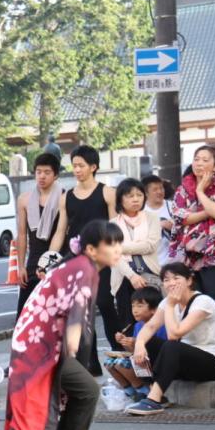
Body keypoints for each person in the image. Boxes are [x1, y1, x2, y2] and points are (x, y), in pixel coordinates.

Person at [0, 220, 123, 430]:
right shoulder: (83, 268)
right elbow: (74, 312)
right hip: (39, 343)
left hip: (43, 341)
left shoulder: (81, 266)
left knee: (85, 390)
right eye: (111, 243)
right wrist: (73, 343)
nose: (118, 249)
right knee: (36, 397)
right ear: (91, 249)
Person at [125, 262, 215, 416]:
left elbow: (174, 335)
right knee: (143, 342)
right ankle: (153, 393)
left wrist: (170, 306)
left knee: (171, 345)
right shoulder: (168, 302)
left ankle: (153, 401)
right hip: (188, 360)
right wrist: (140, 344)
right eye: (167, 280)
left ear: (189, 280)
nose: (171, 283)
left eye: (176, 278)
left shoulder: (203, 302)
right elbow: (149, 327)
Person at [50, 145, 117, 373]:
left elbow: (116, 227)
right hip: (79, 260)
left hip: (104, 259)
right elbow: (61, 230)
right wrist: (49, 257)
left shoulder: (107, 192)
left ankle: (120, 354)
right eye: (74, 166)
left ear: (93, 167)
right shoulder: (66, 196)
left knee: (107, 305)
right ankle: (92, 363)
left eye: (81, 165)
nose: (76, 170)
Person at [167, 145, 215, 330]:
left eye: (205, 160)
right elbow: (181, 218)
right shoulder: (183, 189)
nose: (199, 163)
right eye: (196, 159)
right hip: (190, 254)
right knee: (195, 298)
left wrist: (200, 192)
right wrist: (205, 210)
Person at [110, 178, 163, 334]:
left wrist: (121, 248)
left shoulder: (152, 218)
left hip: (150, 275)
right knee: (128, 320)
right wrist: (132, 276)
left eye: (139, 195)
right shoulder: (113, 223)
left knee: (152, 318)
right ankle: (132, 355)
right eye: (129, 195)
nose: (135, 199)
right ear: (120, 199)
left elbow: (151, 245)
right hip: (124, 277)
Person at [15, 153, 63, 312]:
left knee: (56, 315)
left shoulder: (64, 198)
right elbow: (22, 234)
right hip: (33, 261)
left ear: (55, 175)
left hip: (59, 260)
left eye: (47, 172)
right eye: (38, 172)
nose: (42, 176)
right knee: (26, 315)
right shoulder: (24, 199)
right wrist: (20, 266)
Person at [103, 286, 165, 400]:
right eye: (133, 306)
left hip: (155, 363)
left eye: (140, 306)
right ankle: (130, 392)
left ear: (154, 309)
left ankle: (144, 391)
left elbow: (160, 348)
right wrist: (125, 343)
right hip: (141, 360)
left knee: (120, 363)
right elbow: (134, 352)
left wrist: (136, 344)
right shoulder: (138, 325)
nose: (135, 310)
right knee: (109, 363)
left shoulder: (161, 324)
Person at [143, 175, 175, 267]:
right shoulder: (140, 211)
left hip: (172, 262)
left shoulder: (173, 206)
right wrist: (160, 224)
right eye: (155, 189)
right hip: (150, 264)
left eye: (161, 188)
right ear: (146, 193)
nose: (160, 192)